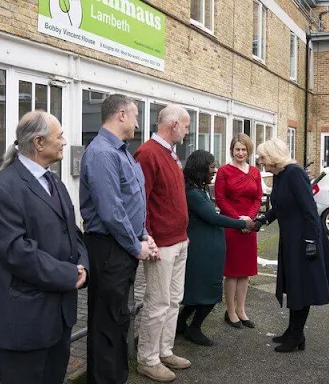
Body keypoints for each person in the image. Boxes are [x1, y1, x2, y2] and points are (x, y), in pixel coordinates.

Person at [0, 110, 89, 384]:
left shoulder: (54, 181)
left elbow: (73, 232)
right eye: (60, 135)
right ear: (39, 143)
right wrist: (70, 274)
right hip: (25, 321)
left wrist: (84, 267)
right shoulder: (3, 188)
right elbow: (16, 252)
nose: (65, 141)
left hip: (59, 316)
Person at [79, 94, 159, 384]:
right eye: (136, 116)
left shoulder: (123, 152)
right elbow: (111, 211)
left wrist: (144, 235)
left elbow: (133, 203)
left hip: (123, 246)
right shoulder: (102, 153)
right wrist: (135, 244)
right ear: (121, 115)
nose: (139, 122)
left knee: (118, 320)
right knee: (106, 323)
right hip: (108, 248)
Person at [255, 138, 329, 353]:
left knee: (301, 287)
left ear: (274, 156)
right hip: (290, 239)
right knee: (294, 285)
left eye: (263, 157)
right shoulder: (279, 175)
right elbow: (279, 206)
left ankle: (296, 335)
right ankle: (294, 331)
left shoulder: (294, 173)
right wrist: (263, 220)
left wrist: (311, 242)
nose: (260, 161)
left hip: (304, 239)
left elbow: (310, 210)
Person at [134, 104, 191, 383]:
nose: (188, 130)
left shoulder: (170, 154)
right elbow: (139, 199)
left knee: (173, 300)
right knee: (157, 302)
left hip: (179, 239)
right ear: (173, 125)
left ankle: (164, 350)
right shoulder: (148, 153)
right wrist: (147, 236)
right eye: (186, 125)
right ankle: (147, 358)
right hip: (162, 242)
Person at [178, 150, 256, 346]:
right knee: (208, 292)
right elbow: (213, 217)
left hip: (207, 248)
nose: (214, 170)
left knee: (199, 292)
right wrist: (243, 223)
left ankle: (180, 325)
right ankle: (194, 329)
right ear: (201, 168)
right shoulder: (193, 193)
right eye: (212, 166)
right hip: (201, 250)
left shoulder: (198, 189)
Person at [214, 133, 263, 328]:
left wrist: (249, 219)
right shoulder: (224, 171)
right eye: (237, 149)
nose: (240, 153)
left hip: (248, 227)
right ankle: (231, 311)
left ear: (248, 151)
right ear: (231, 150)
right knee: (232, 272)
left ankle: (242, 310)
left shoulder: (255, 172)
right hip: (232, 226)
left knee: (245, 272)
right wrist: (238, 220)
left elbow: (258, 198)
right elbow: (220, 198)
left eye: (243, 149)